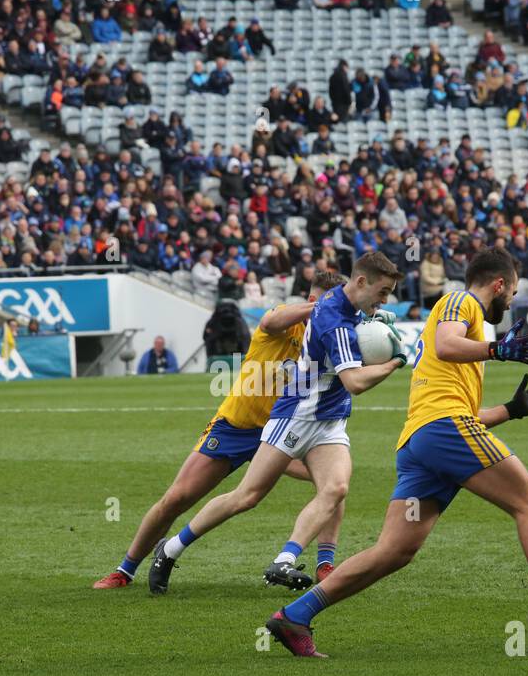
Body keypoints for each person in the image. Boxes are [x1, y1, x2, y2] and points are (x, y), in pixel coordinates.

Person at [263, 249, 528, 657]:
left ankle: (294, 615)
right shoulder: (462, 302)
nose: (511, 301)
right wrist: (497, 350)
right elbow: (447, 347)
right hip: (443, 430)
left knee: (394, 551)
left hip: (423, 440)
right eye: (512, 292)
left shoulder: (458, 321)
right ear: (499, 284)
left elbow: (459, 409)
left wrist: (510, 410)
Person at [146, 253, 410, 595]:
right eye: (383, 292)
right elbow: (355, 382)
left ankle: (285, 560)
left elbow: (351, 309)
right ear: (361, 282)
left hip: (329, 421)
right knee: (247, 496)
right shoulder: (334, 321)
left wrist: (373, 315)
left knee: (335, 488)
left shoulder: (339, 299)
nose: (385, 300)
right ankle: (170, 549)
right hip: (296, 416)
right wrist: (395, 361)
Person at [93, 270, 347, 592]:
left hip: (286, 430)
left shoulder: (331, 336)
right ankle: (125, 570)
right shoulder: (285, 320)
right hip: (238, 427)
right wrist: (324, 307)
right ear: (313, 300)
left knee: (333, 486)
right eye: (332, 303)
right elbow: (270, 321)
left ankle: (325, 564)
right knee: (177, 498)